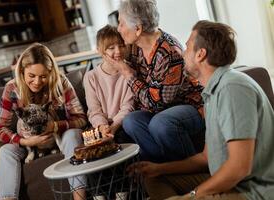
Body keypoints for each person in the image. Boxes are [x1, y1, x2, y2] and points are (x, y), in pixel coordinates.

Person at [129, 20, 274, 200]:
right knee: (154, 179)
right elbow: (206, 158)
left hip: (252, 191)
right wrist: (159, 169)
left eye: (188, 47)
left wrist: (192, 195)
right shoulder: (212, 92)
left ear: (200, 54)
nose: (183, 53)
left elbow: (239, 167)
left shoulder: (232, 88)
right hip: (231, 182)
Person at [104, 0, 205, 162]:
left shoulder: (169, 52)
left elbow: (158, 104)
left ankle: (189, 170)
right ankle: (160, 168)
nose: (118, 29)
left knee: (160, 123)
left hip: (190, 107)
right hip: (161, 111)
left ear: (138, 28)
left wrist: (128, 73)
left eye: (121, 23)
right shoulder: (135, 48)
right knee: (131, 121)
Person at [0, 43, 88, 200]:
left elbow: (81, 118)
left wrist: (56, 126)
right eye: (31, 76)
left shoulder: (61, 83)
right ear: (22, 72)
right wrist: (24, 141)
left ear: (51, 73)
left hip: (58, 137)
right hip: (25, 143)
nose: (37, 82)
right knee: (5, 152)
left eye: (43, 76)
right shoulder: (12, 89)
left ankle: (79, 197)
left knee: (72, 135)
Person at [83, 24, 134, 142]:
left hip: (122, 123)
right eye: (111, 48)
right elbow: (94, 110)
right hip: (101, 127)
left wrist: (114, 127)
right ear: (100, 51)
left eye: (121, 46)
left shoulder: (129, 72)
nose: (118, 51)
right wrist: (103, 127)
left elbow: (128, 106)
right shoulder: (91, 77)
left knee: (122, 137)